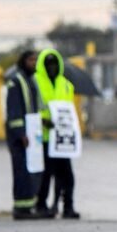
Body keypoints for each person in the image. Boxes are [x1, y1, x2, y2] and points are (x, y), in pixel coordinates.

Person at [34, 48, 80, 219]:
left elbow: (70, 110)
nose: (52, 67)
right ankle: (42, 206)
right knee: (45, 175)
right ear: (43, 65)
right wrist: (42, 120)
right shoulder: (35, 82)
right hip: (44, 137)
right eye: (48, 64)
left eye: (54, 64)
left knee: (67, 176)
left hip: (61, 138)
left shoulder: (66, 84)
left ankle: (68, 206)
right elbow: (31, 109)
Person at [5, 50, 48, 219]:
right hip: (19, 137)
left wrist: (42, 122)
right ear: (23, 62)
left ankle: (28, 207)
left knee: (31, 171)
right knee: (21, 171)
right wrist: (21, 133)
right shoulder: (16, 82)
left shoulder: (31, 81)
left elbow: (33, 108)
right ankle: (20, 209)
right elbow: (14, 111)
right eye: (31, 60)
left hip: (31, 134)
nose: (34, 63)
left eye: (36, 60)